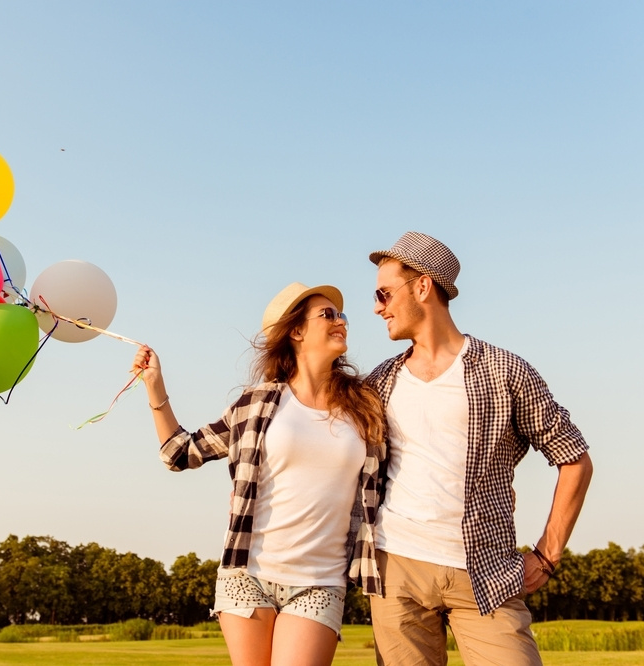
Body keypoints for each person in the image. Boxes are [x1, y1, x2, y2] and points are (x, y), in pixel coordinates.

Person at [365, 232, 594, 666]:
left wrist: (547, 554)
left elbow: (575, 459)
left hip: (487, 570)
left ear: (422, 286)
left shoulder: (505, 370)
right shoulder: (380, 382)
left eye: (384, 293)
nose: (378, 307)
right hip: (397, 569)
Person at [132, 282, 385, 666]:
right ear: (296, 331)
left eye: (342, 316)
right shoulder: (258, 403)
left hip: (321, 582)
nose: (341, 322)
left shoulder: (365, 406)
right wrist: (155, 387)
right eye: (328, 314)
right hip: (248, 576)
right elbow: (179, 453)